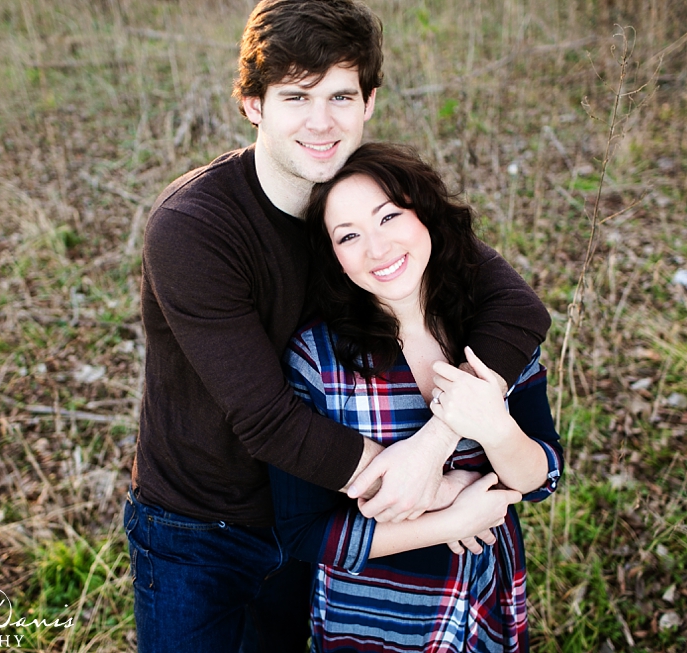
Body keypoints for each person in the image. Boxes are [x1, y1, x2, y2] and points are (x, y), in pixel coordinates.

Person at [125, 1, 552, 651]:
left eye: (340, 95)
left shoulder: (369, 206)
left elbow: (519, 309)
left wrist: (437, 442)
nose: (321, 122)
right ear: (252, 104)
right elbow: (266, 419)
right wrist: (433, 495)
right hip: (200, 527)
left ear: (370, 101)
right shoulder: (196, 227)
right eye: (296, 96)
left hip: (325, 513)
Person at [269, 142, 563, 652]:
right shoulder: (317, 359)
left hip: (483, 601)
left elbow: (543, 477)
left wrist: (494, 427)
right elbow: (304, 534)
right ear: (334, 258)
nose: (377, 249)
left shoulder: (492, 332)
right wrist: (452, 519)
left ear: (424, 215)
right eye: (349, 236)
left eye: (389, 217)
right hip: (372, 621)